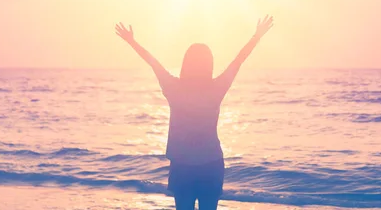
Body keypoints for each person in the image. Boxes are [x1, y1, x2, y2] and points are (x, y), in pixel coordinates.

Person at [115, 15, 274, 210]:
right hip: (211, 165)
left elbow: (153, 62)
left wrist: (132, 42)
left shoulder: (173, 87)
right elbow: (238, 61)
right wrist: (256, 36)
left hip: (182, 165)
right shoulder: (216, 88)